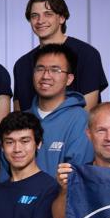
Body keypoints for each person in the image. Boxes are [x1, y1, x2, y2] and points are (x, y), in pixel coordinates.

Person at [11, 0, 108, 111]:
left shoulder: (87, 54)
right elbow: (18, 115)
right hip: (32, 129)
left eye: (48, 14)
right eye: (34, 16)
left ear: (61, 17)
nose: (40, 21)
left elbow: (88, 111)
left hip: (74, 129)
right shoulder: (22, 65)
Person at [28, 43, 93, 174]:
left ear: (69, 79)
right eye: (40, 69)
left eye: (55, 70)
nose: (46, 76)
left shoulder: (81, 120)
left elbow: (76, 178)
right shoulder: (23, 119)